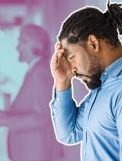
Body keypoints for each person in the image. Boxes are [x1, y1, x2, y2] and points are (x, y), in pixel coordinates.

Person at [50, 1, 122, 161]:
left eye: (71, 57)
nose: (72, 68)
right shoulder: (103, 87)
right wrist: (62, 81)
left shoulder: (119, 91)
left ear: (93, 44)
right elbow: (69, 133)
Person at [0, 24, 64, 161]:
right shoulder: (35, 71)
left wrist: (1, 120)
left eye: (23, 41)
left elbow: (40, 117)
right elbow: (33, 110)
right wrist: (4, 114)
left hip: (36, 154)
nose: (18, 47)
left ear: (37, 45)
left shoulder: (40, 73)